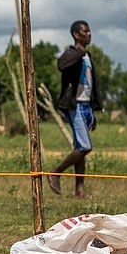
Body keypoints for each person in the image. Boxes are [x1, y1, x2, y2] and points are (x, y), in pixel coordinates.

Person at [47, 20, 100, 198]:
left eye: (90, 30)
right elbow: (61, 65)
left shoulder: (88, 56)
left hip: (85, 106)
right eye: (86, 31)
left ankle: (80, 190)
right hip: (74, 105)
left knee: (80, 148)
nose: (89, 33)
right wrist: (78, 53)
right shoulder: (72, 53)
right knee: (85, 146)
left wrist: (93, 109)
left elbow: (92, 85)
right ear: (77, 35)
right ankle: (56, 172)